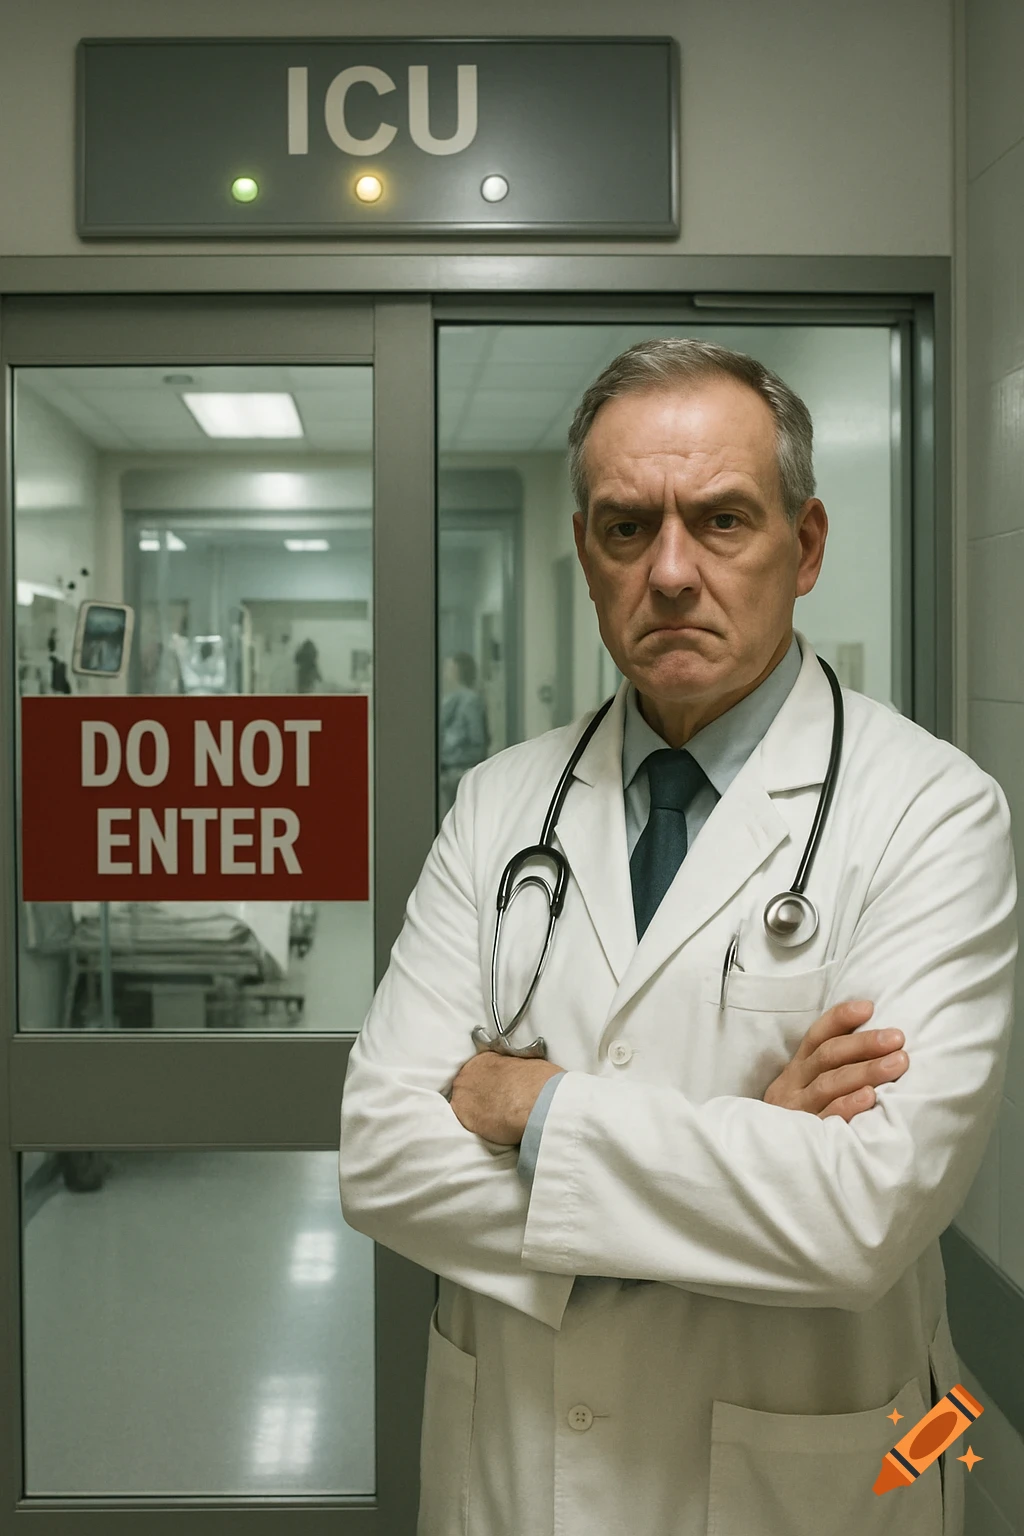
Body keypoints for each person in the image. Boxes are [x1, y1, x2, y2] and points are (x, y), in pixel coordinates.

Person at [338, 338, 1016, 1536]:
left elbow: (862, 1217)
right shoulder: (500, 806)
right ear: (585, 552)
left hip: (812, 1478)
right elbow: (383, 1159)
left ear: (802, 549)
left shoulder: (930, 810)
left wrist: (533, 1111)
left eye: (721, 521)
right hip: (515, 1467)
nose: (668, 571)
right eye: (622, 527)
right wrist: (755, 1150)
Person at [438, 651, 490, 816]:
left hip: (461, 769)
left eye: (449, 667)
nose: (446, 672)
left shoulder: (470, 701)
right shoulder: (451, 699)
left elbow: (477, 738)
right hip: (449, 768)